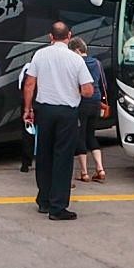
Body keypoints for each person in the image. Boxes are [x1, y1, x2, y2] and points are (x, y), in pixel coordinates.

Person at [21, 21, 93, 221]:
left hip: (45, 111)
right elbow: (88, 90)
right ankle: (57, 207)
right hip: (67, 113)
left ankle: (43, 200)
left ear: (50, 37)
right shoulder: (76, 59)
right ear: (69, 36)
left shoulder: (40, 55)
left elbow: (29, 84)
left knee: (44, 155)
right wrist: (72, 90)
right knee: (63, 158)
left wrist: (28, 109)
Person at [70, 37, 107, 184]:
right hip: (96, 102)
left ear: (77, 50)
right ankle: (100, 169)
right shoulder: (97, 63)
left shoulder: (76, 63)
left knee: (80, 135)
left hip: (82, 102)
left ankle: (84, 172)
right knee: (91, 135)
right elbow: (103, 83)